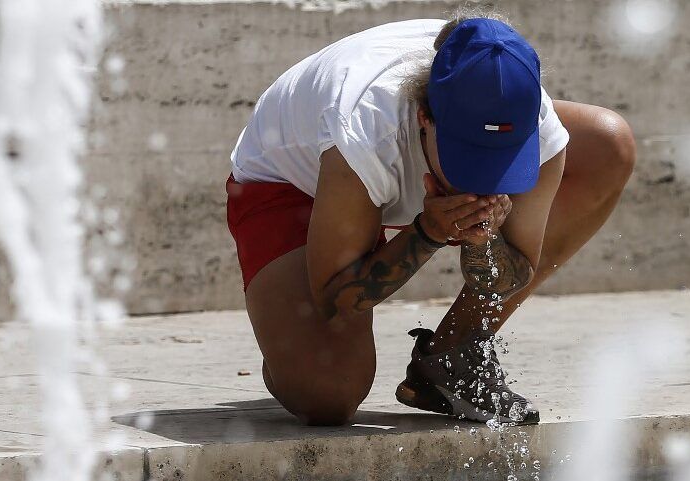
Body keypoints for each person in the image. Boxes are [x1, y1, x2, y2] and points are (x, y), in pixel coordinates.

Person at [226, 7, 635, 426]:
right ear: (426, 117)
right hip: (298, 184)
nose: (483, 183)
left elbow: (515, 272)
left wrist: (486, 241)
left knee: (607, 142)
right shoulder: (363, 127)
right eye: (468, 161)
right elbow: (336, 299)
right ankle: (285, 346)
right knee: (328, 395)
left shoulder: (540, 126)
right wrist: (427, 233)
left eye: (501, 163)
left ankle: (450, 361)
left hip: (384, 165)